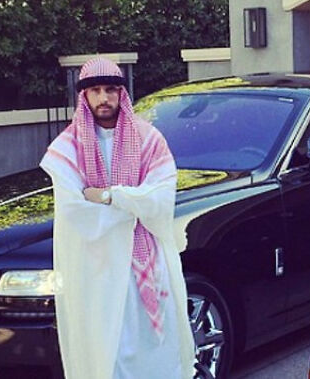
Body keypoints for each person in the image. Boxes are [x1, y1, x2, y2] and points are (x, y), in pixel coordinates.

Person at [40, 56, 195, 379]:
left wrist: (109, 196)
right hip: (96, 269)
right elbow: (74, 212)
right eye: (95, 90)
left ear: (121, 93)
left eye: (110, 89)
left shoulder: (148, 139)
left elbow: (161, 199)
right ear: (84, 96)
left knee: (154, 352)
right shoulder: (66, 148)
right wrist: (133, 207)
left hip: (145, 263)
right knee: (105, 353)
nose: (104, 98)